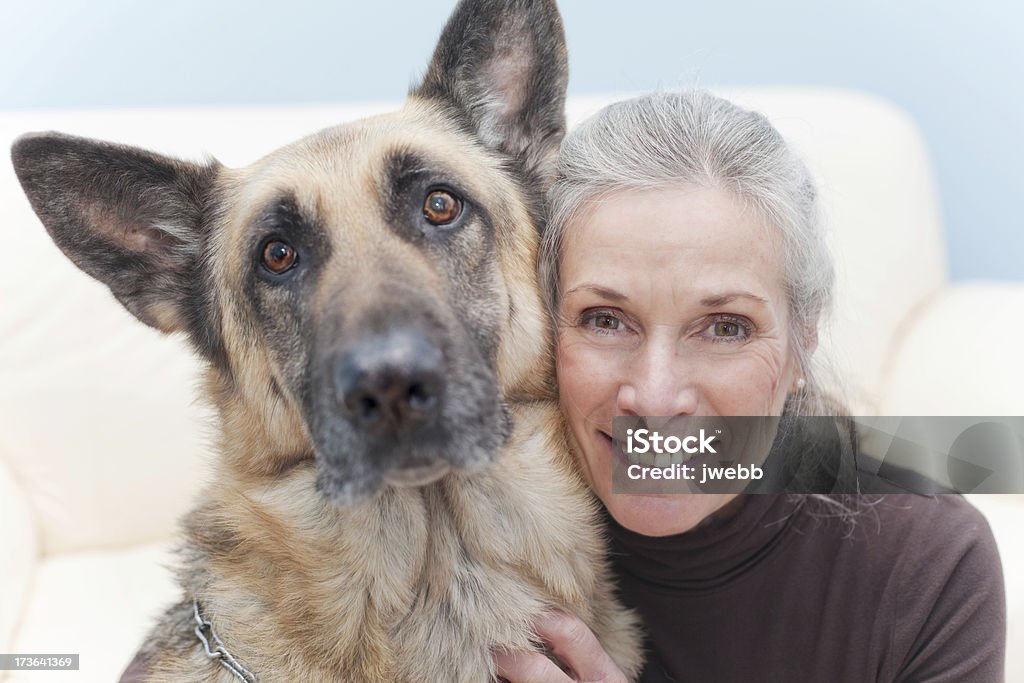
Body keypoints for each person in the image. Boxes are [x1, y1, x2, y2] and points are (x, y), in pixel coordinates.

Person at [494, 91, 1005, 682]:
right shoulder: (463, 530)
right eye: (605, 320)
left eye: (726, 328)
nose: (657, 399)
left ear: (801, 341)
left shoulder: (925, 560)